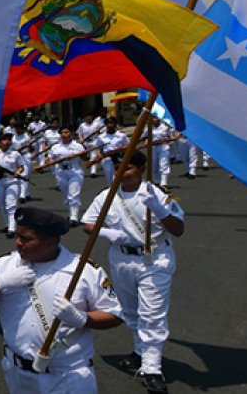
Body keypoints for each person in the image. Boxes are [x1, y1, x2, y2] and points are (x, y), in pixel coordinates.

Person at [0, 207, 122, 393]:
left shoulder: (83, 271)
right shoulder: (5, 265)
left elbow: (114, 315)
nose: (18, 243)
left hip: (68, 375)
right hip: (19, 374)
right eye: (18, 236)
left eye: (26, 239)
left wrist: (83, 319)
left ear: (50, 243)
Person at [82, 151, 185, 394]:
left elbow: (178, 229)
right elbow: (88, 223)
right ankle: (141, 351)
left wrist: (160, 210)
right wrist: (105, 233)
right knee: (130, 310)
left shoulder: (156, 194)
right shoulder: (107, 195)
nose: (120, 172)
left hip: (154, 259)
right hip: (121, 258)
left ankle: (152, 368)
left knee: (152, 313)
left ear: (141, 169)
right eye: (117, 167)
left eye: (127, 167)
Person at [48, 127, 87, 226]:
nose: (64, 134)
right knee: (66, 196)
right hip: (61, 172)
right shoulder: (55, 147)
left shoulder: (78, 146)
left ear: (71, 133)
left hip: (75, 171)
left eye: (66, 132)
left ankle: (74, 217)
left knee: (73, 194)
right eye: (62, 133)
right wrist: (51, 161)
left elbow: (86, 158)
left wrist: (82, 154)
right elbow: (50, 159)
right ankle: (70, 213)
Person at [0, 134, 30, 237]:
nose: (7, 142)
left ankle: (12, 228)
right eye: (4, 139)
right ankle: (7, 225)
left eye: (9, 140)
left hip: (12, 181)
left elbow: (21, 166)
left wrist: (18, 172)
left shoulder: (15, 154)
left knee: (11, 205)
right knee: (1, 204)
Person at [90, 117, 129, 184]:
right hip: (107, 159)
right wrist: (99, 154)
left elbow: (128, 145)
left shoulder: (121, 135)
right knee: (110, 179)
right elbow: (98, 148)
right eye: (107, 123)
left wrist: (122, 151)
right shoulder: (101, 137)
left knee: (119, 178)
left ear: (115, 124)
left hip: (119, 159)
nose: (109, 125)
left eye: (111, 123)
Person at [150, 117, 178, 188]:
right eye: (152, 118)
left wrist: (168, 139)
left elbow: (172, 137)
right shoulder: (149, 128)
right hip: (153, 147)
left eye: (155, 118)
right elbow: (143, 137)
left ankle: (164, 183)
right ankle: (156, 181)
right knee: (154, 165)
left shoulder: (165, 127)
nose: (154, 120)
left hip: (163, 147)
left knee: (164, 165)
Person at [10, 124, 35, 202]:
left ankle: (22, 195)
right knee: (18, 174)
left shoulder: (27, 137)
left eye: (18, 128)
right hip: (16, 157)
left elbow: (32, 148)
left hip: (25, 156)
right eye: (16, 128)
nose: (17, 130)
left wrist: (29, 146)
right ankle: (27, 194)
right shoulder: (13, 137)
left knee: (25, 174)